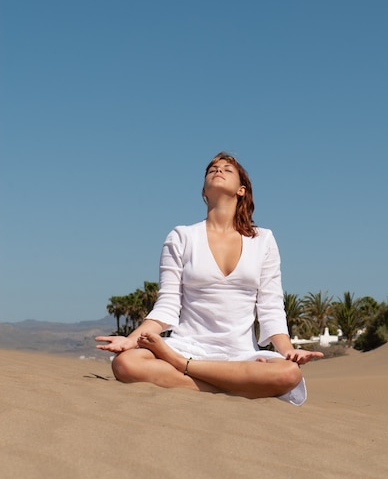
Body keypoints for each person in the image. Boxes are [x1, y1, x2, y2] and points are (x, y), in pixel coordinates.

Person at [96, 152, 323, 404]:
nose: (218, 170)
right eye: (212, 169)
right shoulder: (181, 236)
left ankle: (181, 367)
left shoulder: (263, 240)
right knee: (126, 364)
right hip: (187, 345)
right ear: (204, 190)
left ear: (241, 190)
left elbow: (270, 307)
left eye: (227, 169)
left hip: (240, 354)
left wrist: (288, 351)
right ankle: (230, 384)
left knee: (288, 373)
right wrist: (130, 340)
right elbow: (168, 304)